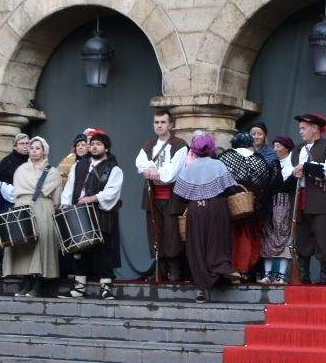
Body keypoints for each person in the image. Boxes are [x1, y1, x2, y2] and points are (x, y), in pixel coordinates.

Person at [176, 134, 241, 302]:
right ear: (212, 147)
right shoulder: (218, 165)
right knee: (217, 242)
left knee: (197, 247)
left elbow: (180, 196)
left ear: (194, 149)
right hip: (217, 209)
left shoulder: (188, 168)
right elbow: (231, 189)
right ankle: (221, 272)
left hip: (195, 211)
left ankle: (201, 288)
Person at [60, 129, 123, 299]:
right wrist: (65, 207)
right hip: (79, 213)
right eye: (92, 144)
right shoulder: (78, 165)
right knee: (79, 250)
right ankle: (79, 288)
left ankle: (106, 287)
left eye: (98, 144)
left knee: (102, 250)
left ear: (106, 148)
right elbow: (69, 188)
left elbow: (112, 193)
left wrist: (92, 198)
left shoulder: (113, 169)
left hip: (101, 213)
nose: (94, 147)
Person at [134, 111, 189, 283]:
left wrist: (154, 172)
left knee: (172, 232)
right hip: (153, 196)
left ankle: (174, 269)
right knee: (155, 232)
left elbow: (173, 171)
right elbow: (140, 163)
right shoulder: (148, 145)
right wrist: (150, 170)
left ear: (170, 125)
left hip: (172, 197)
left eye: (163, 122)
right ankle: (160, 269)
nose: (159, 125)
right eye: (156, 122)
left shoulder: (180, 145)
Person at [4, 136, 62, 298]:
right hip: (22, 207)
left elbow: (56, 198)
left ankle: (38, 285)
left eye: (38, 148)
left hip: (43, 208)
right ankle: (26, 282)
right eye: (32, 147)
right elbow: (15, 192)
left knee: (41, 245)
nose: (34, 150)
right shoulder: (20, 169)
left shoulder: (52, 171)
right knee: (24, 247)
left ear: (44, 151)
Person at [288, 113, 326, 284]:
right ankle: (304, 276)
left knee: (323, 237)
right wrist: (294, 172)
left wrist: (305, 166)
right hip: (300, 198)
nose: (301, 132)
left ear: (315, 129)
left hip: (320, 199)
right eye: (300, 129)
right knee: (302, 237)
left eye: (303, 128)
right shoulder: (296, 149)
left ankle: (325, 277)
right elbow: (288, 171)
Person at [220, 131, 276, 279]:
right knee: (252, 236)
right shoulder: (259, 159)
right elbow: (266, 181)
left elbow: (221, 180)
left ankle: (235, 268)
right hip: (255, 204)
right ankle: (249, 270)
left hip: (232, 202)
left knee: (234, 236)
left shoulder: (226, 157)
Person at [260, 135, 297, 285]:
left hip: (285, 204)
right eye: (274, 146)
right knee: (268, 236)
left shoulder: (293, 164)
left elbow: (286, 185)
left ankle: (281, 275)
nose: (275, 149)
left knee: (284, 236)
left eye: (278, 146)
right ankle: (267, 274)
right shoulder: (271, 164)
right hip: (271, 205)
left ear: (286, 148)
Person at [0, 134, 31, 206]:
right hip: (11, 204)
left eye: (27, 143)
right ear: (15, 146)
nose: (25, 146)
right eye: (22, 143)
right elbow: (3, 185)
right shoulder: (7, 162)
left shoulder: (32, 160)